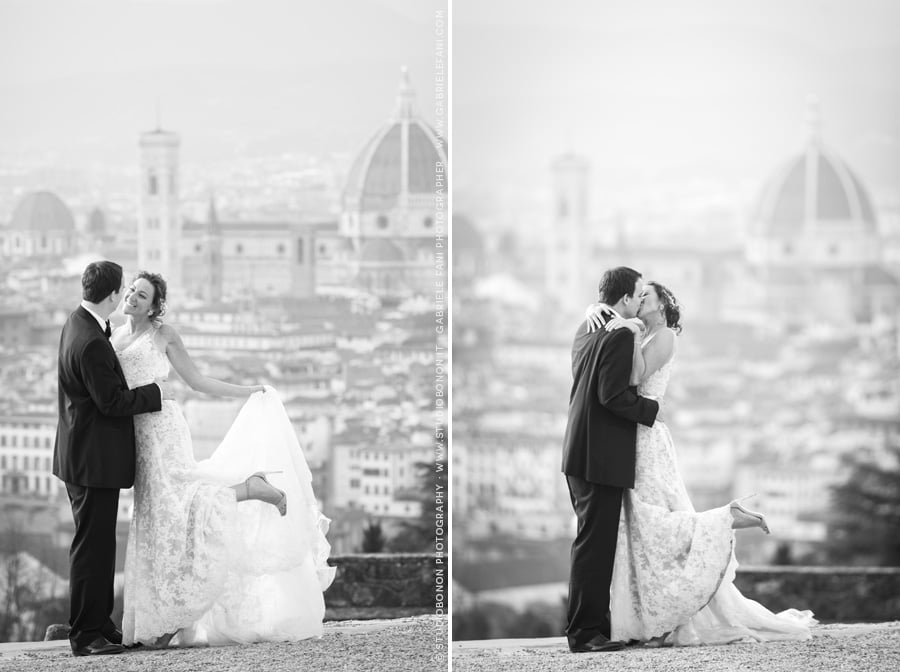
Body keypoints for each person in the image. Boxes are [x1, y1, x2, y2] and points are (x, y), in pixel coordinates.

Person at [111, 271, 335, 648]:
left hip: (163, 429)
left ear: (154, 307)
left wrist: (249, 391)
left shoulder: (163, 335)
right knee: (157, 517)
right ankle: (163, 618)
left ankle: (251, 489)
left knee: (178, 509)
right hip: (137, 437)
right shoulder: (115, 337)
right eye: (132, 290)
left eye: (142, 295)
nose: (133, 297)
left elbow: (197, 381)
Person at [585, 280, 816, 646]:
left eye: (647, 295)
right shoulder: (645, 333)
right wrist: (604, 318)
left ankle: (725, 518)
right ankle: (659, 621)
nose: (640, 299)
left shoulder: (664, 337)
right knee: (641, 526)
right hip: (636, 433)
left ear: (662, 306)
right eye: (638, 294)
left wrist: (629, 333)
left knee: (652, 518)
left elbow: (634, 378)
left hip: (646, 438)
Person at [53, 260, 172, 657]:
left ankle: (99, 623)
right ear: (110, 295)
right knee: (92, 549)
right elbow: (113, 403)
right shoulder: (90, 341)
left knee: (99, 546)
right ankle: (85, 636)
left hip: (83, 456)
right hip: (92, 461)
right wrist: (156, 394)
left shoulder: (77, 323)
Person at [560, 266, 661, 653]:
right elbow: (612, 395)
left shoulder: (588, 326)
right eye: (637, 296)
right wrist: (651, 410)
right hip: (599, 456)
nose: (640, 302)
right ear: (624, 300)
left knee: (591, 543)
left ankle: (592, 628)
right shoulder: (618, 334)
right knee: (594, 546)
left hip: (579, 453)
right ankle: (585, 634)